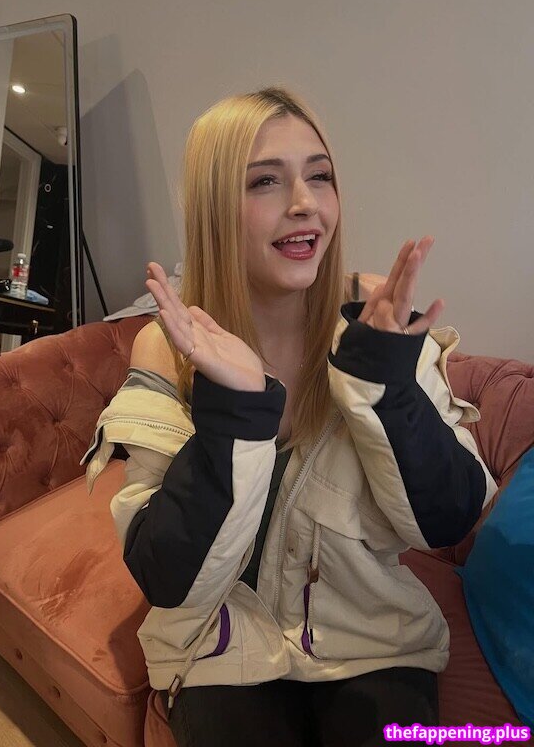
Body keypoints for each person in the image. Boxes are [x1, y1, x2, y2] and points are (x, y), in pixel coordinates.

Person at [83, 86, 498, 747]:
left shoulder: (375, 322)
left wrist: (384, 382)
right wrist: (236, 409)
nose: (305, 202)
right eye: (265, 181)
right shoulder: (168, 346)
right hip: (220, 641)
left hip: (371, 635)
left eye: (320, 176)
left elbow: (447, 519)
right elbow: (167, 575)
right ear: (215, 207)